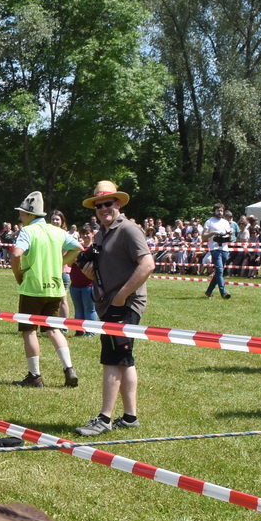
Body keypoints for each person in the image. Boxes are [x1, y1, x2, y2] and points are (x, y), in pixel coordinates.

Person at [74, 180, 154, 435]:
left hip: (124, 305)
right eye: (99, 205)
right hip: (108, 304)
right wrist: (89, 273)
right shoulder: (102, 233)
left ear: (118, 204)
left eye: (108, 203)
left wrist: (120, 297)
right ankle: (130, 417)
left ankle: (104, 419)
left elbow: (147, 264)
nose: (103, 208)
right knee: (124, 360)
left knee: (111, 361)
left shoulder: (129, 230)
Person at [9, 190, 80, 388]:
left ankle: (35, 376)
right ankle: (69, 369)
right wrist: (61, 263)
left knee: (29, 331)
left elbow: (16, 254)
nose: (19, 217)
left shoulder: (28, 231)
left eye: (22, 213)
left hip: (32, 288)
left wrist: (17, 274)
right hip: (55, 288)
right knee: (54, 329)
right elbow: (78, 248)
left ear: (31, 215)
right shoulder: (57, 231)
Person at [202, 203, 235, 298]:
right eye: (218, 210)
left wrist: (229, 234)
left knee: (219, 272)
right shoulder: (209, 222)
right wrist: (213, 233)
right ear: (214, 211)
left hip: (224, 248)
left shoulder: (225, 222)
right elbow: (203, 237)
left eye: (221, 210)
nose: (220, 212)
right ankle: (223, 293)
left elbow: (230, 236)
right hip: (215, 249)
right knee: (220, 270)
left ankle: (209, 291)